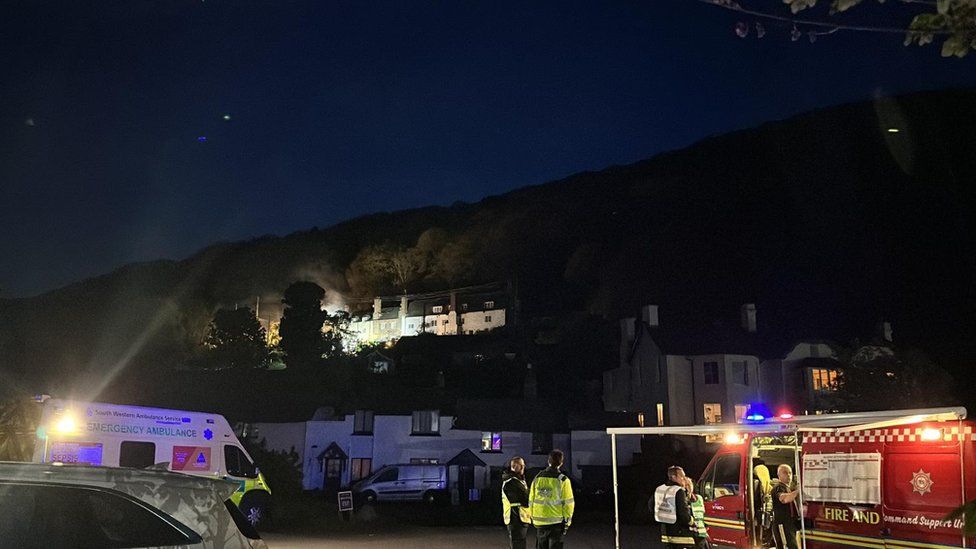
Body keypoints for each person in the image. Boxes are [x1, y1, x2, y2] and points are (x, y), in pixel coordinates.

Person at [529, 449, 574, 549]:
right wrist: (567, 522)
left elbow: (531, 499)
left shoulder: (537, 477)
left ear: (548, 461)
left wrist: (532, 516)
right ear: (561, 463)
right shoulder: (563, 480)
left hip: (539, 521)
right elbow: (568, 503)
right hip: (556, 522)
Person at [652, 466, 695, 548]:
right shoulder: (678, 491)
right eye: (681, 476)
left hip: (666, 534)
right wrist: (691, 521)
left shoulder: (660, 489)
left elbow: (651, 506)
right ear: (673, 477)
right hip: (681, 535)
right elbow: (683, 513)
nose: (684, 478)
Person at [502, 456, 531, 549]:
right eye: (521, 465)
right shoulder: (512, 482)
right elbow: (525, 499)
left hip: (518, 517)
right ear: (514, 466)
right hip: (516, 517)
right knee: (518, 544)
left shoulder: (517, 480)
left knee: (519, 543)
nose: (523, 468)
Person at [771, 464, 800, 549]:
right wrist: (799, 491)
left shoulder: (788, 488)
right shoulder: (778, 487)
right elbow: (784, 499)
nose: (788, 475)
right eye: (785, 473)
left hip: (791, 523)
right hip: (782, 524)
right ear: (779, 475)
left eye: (790, 473)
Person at [684, 477, 710, 549]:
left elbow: (701, 515)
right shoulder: (682, 499)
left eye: (689, 485)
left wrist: (704, 525)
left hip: (701, 535)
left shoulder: (699, 498)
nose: (687, 487)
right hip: (690, 536)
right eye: (686, 485)